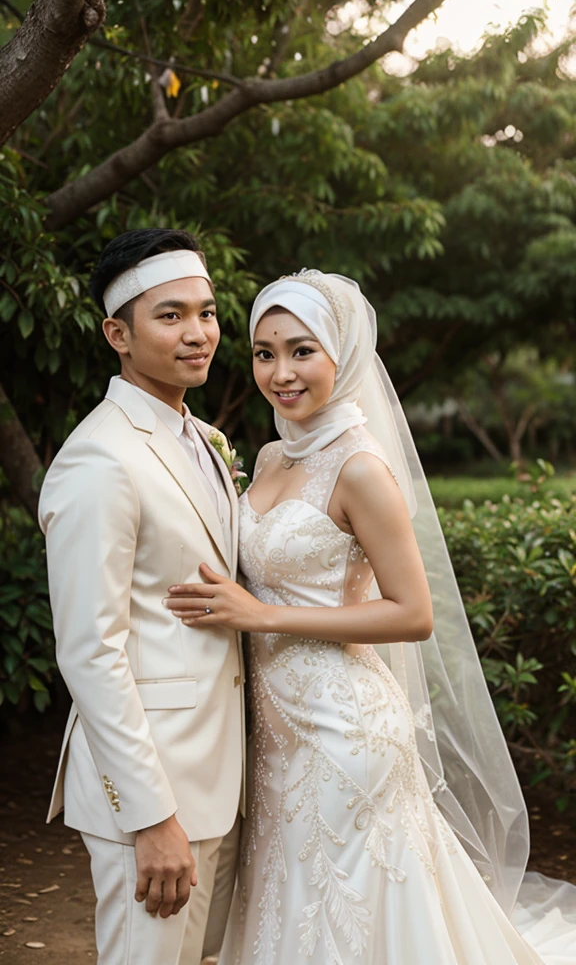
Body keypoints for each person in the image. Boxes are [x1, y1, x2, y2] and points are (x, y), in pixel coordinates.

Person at [165, 269, 576, 964]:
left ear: (343, 356)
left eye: (302, 351)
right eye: (265, 352)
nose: (280, 372)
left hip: (344, 729)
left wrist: (262, 616)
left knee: (352, 909)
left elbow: (413, 613)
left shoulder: (359, 467)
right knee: (290, 901)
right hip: (276, 730)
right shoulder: (269, 455)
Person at [39, 229, 245, 965]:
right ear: (116, 334)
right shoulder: (100, 458)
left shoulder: (206, 439)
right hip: (155, 792)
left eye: (208, 311)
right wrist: (153, 818)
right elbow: (90, 650)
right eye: (171, 315)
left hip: (223, 774)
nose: (198, 333)